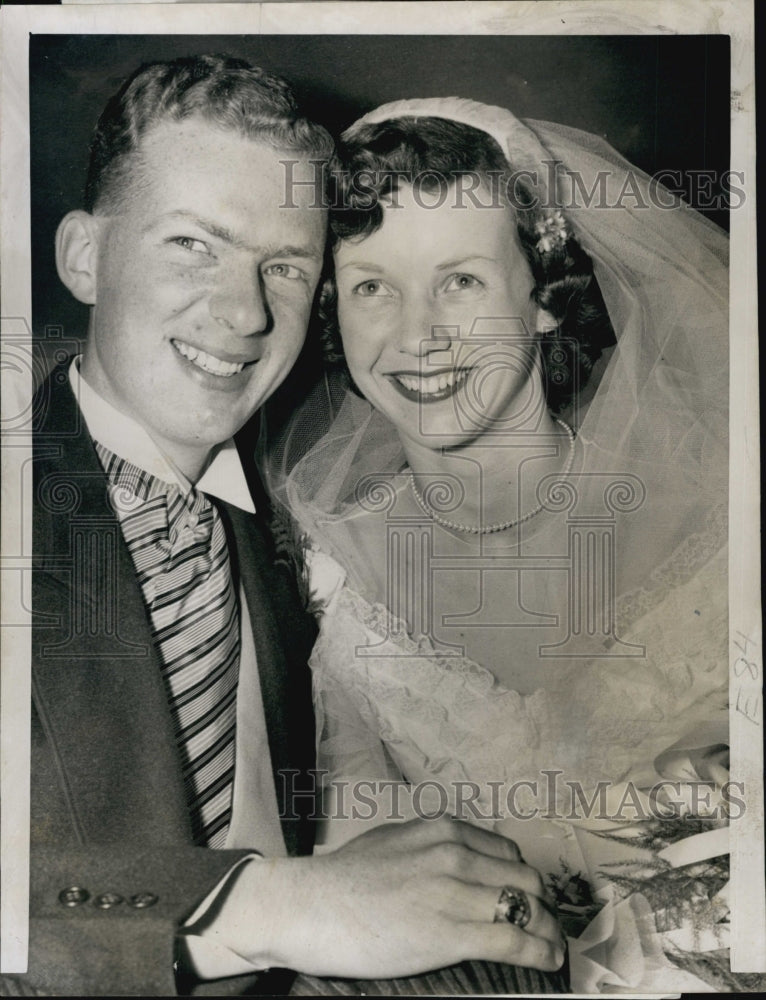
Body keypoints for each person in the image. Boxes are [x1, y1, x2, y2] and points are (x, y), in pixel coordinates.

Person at [13, 65, 566, 996]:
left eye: (284, 267)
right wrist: (270, 907)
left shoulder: (292, 540)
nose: (244, 313)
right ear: (82, 256)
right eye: (193, 244)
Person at [268, 97, 731, 992]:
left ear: (547, 295)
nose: (417, 336)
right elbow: (356, 876)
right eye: (373, 286)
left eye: (462, 281)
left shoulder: (720, 501)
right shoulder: (329, 573)